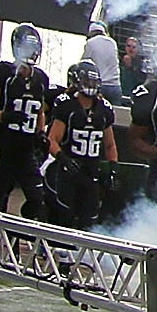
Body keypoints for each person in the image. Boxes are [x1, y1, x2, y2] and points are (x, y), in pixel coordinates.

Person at [45, 58, 124, 229]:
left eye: (93, 81)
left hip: (91, 172)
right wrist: (63, 158)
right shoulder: (67, 105)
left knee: (89, 222)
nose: (90, 85)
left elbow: (110, 145)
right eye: (87, 80)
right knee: (64, 218)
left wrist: (113, 169)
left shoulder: (104, 109)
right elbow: (52, 140)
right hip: (69, 171)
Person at [0, 24, 52, 216]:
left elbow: (40, 110)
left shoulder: (41, 78)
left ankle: (14, 236)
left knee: (38, 200)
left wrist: (41, 133)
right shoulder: (3, 72)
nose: (32, 53)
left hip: (26, 149)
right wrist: (5, 117)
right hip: (4, 144)